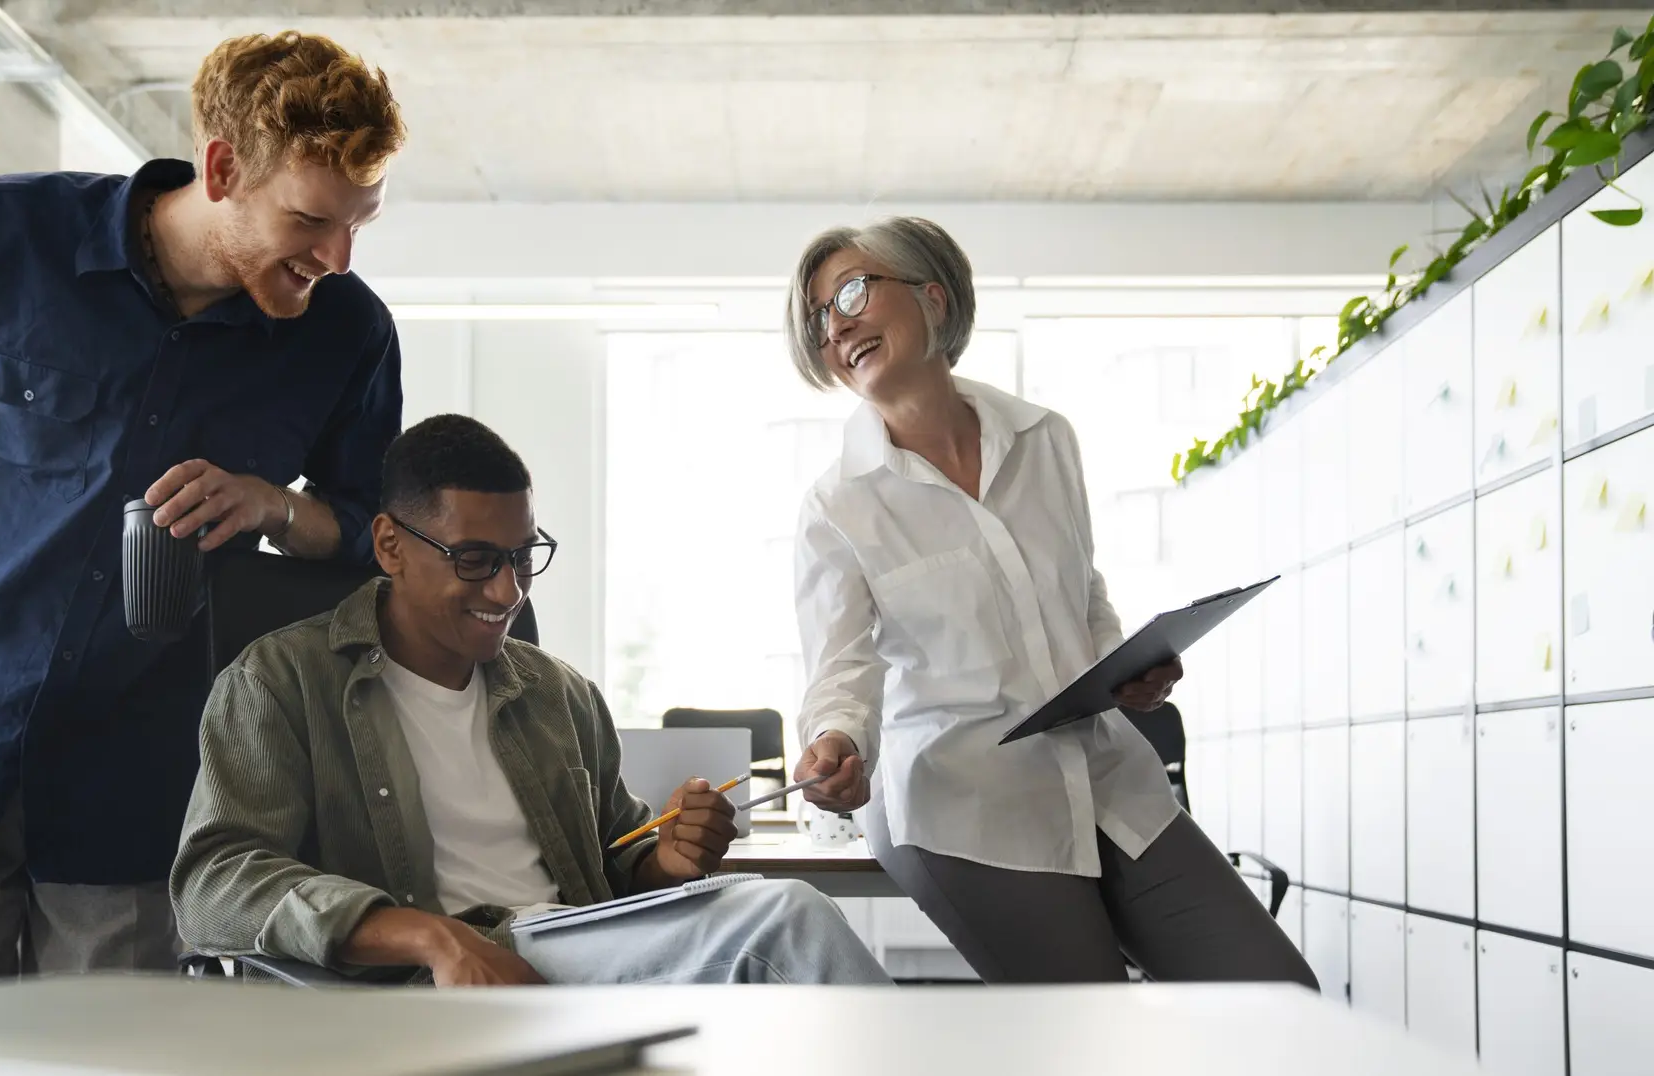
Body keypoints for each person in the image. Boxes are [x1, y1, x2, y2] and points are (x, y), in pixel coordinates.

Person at [0, 31, 408, 984]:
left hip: (142, 785)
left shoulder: (346, 334)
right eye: (312, 219)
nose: (338, 256)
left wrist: (272, 506)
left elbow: (370, 535)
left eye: (361, 223)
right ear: (222, 168)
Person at [782, 217, 1317, 988]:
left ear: (933, 297)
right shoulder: (837, 506)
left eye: (854, 292)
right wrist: (838, 741)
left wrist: (1126, 668)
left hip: (1104, 772)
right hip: (961, 802)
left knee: (1282, 998)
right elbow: (842, 668)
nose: (837, 325)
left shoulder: (1045, 440)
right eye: (820, 317)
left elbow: (1083, 591)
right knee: (1089, 1034)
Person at [172, 415, 891, 987]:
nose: (507, 592)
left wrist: (669, 859)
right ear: (390, 546)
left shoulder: (557, 693)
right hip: (426, 983)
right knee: (784, 920)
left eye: (522, 558)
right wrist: (433, 937)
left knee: (776, 926)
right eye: (476, 560)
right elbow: (214, 883)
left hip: (569, 953)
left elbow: (618, 858)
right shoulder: (280, 683)